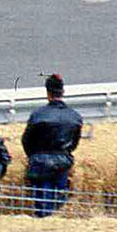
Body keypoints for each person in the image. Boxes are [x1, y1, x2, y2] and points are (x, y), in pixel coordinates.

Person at [23, 74, 83, 217]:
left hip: (41, 160)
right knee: (59, 195)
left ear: (48, 92)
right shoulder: (74, 116)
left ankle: (44, 218)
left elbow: (26, 140)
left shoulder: (38, 115)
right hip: (63, 160)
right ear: (62, 92)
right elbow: (75, 142)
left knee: (43, 198)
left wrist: (32, 156)